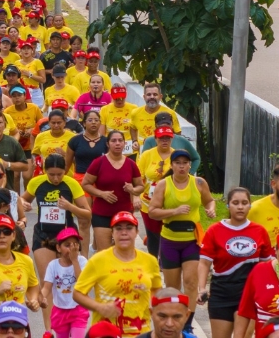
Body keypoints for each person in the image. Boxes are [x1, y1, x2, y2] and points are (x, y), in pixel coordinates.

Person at [147, 149, 215, 331]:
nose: (182, 166)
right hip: (170, 239)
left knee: (191, 283)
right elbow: (152, 211)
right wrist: (173, 212)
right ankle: (174, 321)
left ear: (190, 165)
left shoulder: (199, 183)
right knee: (173, 286)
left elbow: (210, 200)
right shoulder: (163, 185)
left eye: (185, 163)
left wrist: (211, 209)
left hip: (191, 240)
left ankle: (188, 325)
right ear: (172, 165)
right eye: (178, 163)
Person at [22, 153, 91, 328]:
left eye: (59, 174)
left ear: (64, 171)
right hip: (43, 235)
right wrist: (24, 205)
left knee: (70, 282)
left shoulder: (71, 183)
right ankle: (49, 329)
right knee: (48, 283)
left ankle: (72, 323)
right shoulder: (36, 182)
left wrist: (70, 207)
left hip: (67, 237)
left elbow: (87, 213)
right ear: (45, 171)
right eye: (51, 174)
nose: (55, 178)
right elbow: (22, 200)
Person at [197, 187, 275, 338]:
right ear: (228, 205)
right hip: (221, 293)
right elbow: (204, 263)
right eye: (236, 203)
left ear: (250, 205)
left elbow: (268, 264)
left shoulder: (259, 231)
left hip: (248, 294)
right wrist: (201, 288)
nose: (240, 207)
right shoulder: (214, 230)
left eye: (244, 203)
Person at [73, 212, 162, 336]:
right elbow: (78, 293)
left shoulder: (150, 261)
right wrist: (99, 307)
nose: (124, 233)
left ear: (137, 232)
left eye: (129, 228)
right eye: (118, 229)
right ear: (112, 233)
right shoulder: (98, 260)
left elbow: (157, 291)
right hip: (106, 333)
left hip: (140, 332)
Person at [81, 130, 144, 253]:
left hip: (124, 214)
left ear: (124, 143)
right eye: (114, 140)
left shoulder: (131, 164)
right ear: (108, 144)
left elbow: (140, 186)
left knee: (124, 251)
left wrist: (133, 190)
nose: (117, 143)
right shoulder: (98, 162)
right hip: (102, 214)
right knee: (104, 252)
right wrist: (101, 193)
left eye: (120, 140)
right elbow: (85, 184)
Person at [135, 126, 176, 258]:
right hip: (148, 201)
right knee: (153, 233)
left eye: (168, 138)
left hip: (169, 202)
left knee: (167, 232)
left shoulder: (176, 155)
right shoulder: (147, 155)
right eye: (161, 138)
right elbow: (138, 178)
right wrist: (135, 195)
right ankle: (153, 259)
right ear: (155, 139)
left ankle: (166, 259)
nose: (165, 141)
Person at [42, 228, 88, 338]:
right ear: (58, 248)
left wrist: (75, 261)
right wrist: (39, 298)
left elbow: (82, 284)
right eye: (67, 245)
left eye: (75, 245)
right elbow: (46, 288)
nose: (72, 249)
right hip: (60, 310)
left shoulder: (82, 261)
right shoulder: (53, 265)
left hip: (78, 309)